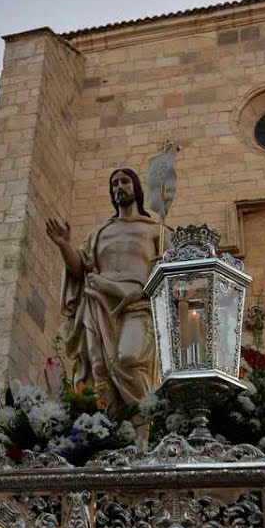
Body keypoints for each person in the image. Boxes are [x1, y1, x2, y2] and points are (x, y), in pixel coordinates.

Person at [46, 168, 161, 407]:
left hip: (137, 303)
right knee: (100, 370)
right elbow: (80, 270)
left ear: (136, 189)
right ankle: (112, 431)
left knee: (128, 359)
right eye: (114, 184)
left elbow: (165, 270)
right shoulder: (100, 232)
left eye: (125, 182)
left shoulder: (155, 230)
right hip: (97, 302)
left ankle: (148, 421)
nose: (119, 187)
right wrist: (64, 245)